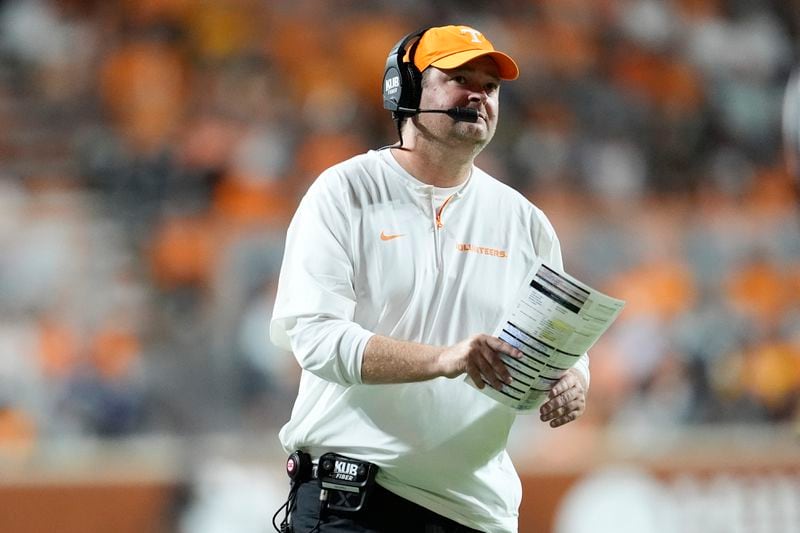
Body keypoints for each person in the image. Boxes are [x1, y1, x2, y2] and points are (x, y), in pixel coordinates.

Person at [271, 24, 589, 533]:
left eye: (490, 87)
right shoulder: (344, 193)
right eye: (460, 78)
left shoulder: (524, 221)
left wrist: (572, 380)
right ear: (407, 90)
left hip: (474, 512)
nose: (478, 96)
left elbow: (561, 343)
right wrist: (443, 360)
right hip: (356, 502)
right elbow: (315, 339)